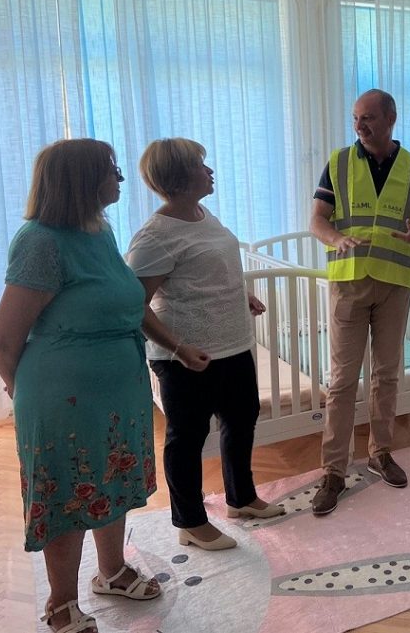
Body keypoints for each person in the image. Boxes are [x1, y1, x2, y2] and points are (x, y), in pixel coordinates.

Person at [0, 139, 161, 633]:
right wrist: (23, 391)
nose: (120, 178)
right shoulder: (40, 241)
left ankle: (112, 572)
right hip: (63, 399)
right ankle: (61, 603)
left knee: (112, 480)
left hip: (117, 391)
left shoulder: (99, 230)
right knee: (67, 494)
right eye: (111, 170)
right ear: (81, 180)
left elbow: (124, 300)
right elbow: (2, 338)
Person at [126, 138, 284, 552]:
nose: (210, 171)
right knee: (188, 437)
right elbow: (134, 305)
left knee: (242, 418)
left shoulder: (202, 214)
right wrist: (178, 347)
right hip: (185, 357)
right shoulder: (154, 237)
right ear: (179, 177)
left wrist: (241, 293)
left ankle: (241, 498)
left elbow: (208, 269)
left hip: (233, 344)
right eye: (201, 165)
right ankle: (191, 523)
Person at [308, 89, 410, 516]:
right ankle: (333, 470)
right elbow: (317, 219)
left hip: (394, 284)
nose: (359, 126)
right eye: (355, 118)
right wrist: (336, 238)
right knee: (342, 380)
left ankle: (380, 452)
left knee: (386, 375)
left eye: (367, 117)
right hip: (349, 282)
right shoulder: (339, 162)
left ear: (390, 118)